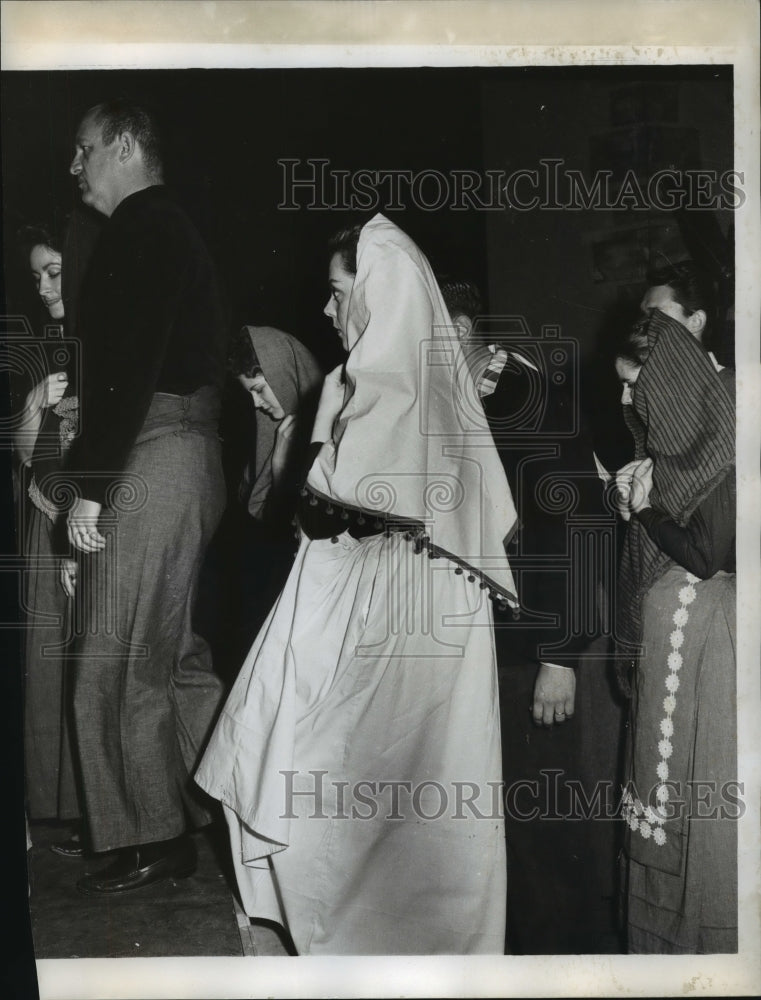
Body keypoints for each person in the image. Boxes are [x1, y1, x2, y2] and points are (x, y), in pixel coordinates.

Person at [196, 214, 519, 955]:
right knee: (322, 793)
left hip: (404, 638)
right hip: (355, 615)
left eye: (340, 293)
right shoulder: (354, 381)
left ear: (380, 294)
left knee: (384, 812)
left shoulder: (417, 386)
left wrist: (312, 481)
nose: (325, 310)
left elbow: (344, 503)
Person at [62, 99, 228, 894]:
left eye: (85, 150)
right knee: (170, 655)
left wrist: (90, 487)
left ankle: (154, 834)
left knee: (114, 653)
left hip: (153, 453)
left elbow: (125, 369)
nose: (76, 167)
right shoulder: (175, 228)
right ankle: (225, 803)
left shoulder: (141, 227)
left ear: (126, 145)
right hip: (184, 454)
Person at [441, 278, 622, 953]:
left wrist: (558, 655)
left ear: (457, 330)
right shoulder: (474, 394)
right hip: (496, 645)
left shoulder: (523, 396)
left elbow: (578, 522)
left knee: (541, 827)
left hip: (533, 649)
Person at [613, 308, 736, 953]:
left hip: (712, 658)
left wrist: (647, 508)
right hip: (678, 649)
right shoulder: (678, 450)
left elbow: (705, 551)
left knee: (701, 821)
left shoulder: (724, 445)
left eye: (635, 384)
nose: (625, 398)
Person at [14, 224, 82, 842]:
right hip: (47, 516)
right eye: (36, 275)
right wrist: (34, 403)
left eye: (54, 272)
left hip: (92, 518)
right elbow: (20, 446)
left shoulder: (106, 331)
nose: (43, 286)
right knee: (49, 657)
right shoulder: (42, 344)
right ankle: (60, 807)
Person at [224, 326, 322, 660]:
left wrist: (282, 466)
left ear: (283, 373)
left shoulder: (331, 426)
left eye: (260, 389)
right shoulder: (274, 435)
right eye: (249, 393)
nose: (256, 403)